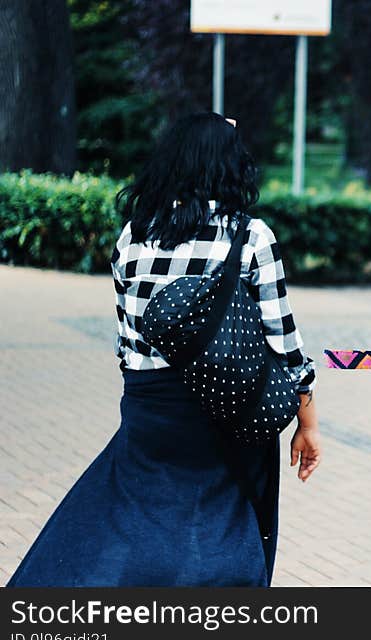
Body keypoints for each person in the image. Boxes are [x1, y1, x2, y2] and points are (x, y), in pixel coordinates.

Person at [7, 113, 321, 587]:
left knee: (133, 521)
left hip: (149, 409)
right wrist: (308, 425)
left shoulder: (134, 235)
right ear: (232, 166)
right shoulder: (249, 236)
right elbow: (286, 347)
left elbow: (127, 336)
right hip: (227, 409)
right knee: (226, 523)